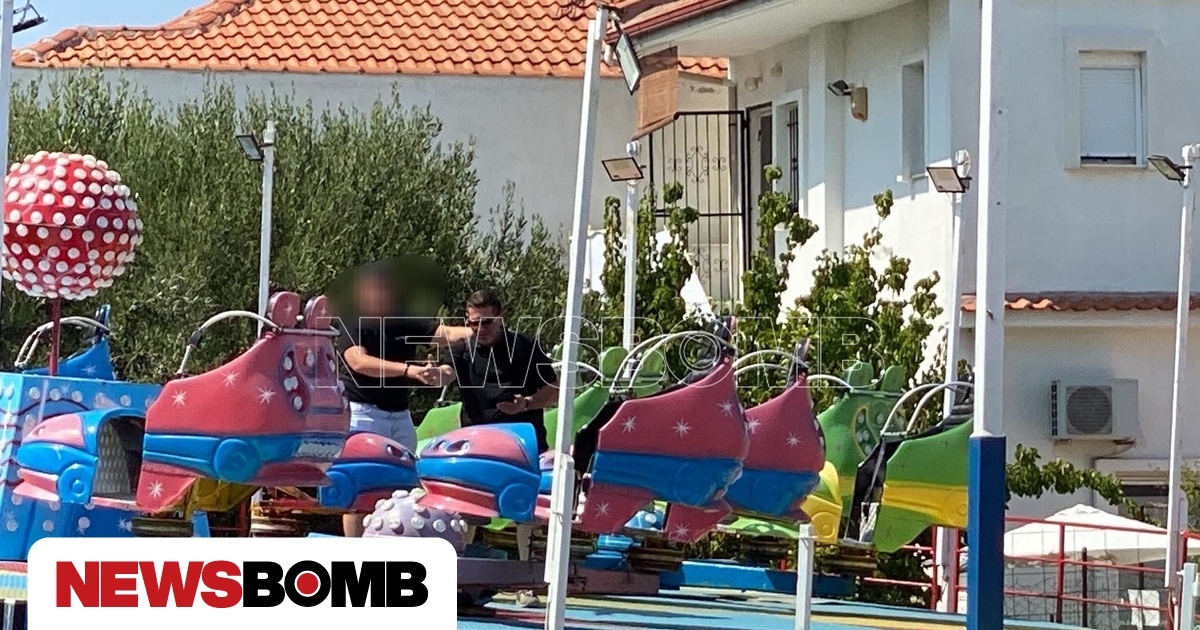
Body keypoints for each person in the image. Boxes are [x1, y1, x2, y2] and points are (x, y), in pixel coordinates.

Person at [334, 260, 471, 537]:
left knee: (404, 486)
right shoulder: (353, 320)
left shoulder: (402, 319)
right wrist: (409, 370)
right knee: (361, 489)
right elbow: (358, 361)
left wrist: (480, 329)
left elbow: (443, 334)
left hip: (399, 415)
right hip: (363, 413)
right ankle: (355, 552)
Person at [450, 290, 559, 452]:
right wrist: (433, 374)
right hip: (477, 446)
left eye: (486, 322)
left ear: (501, 317)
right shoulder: (462, 350)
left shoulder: (525, 346)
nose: (480, 329)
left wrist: (526, 403)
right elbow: (446, 372)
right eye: (474, 323)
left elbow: (554, 389)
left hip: (522, 445)